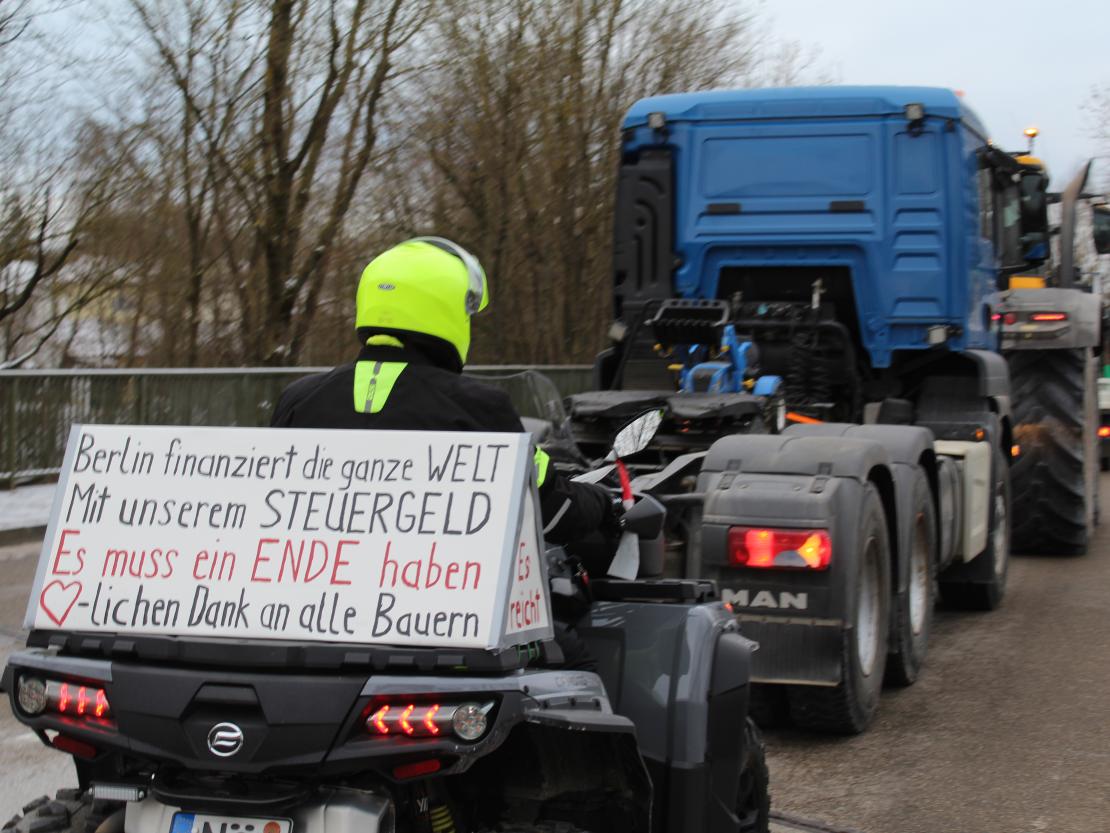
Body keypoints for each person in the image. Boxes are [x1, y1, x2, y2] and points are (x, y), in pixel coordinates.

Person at [271, 236, 618, 666]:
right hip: (438, 622)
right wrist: (603, 503)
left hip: (312, 613)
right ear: (447, 309)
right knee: (571, 657)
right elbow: (554, 508)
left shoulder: (298, 400)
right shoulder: (476, 406)